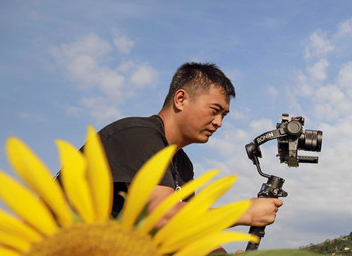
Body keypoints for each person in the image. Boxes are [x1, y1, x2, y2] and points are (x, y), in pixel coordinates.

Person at [96, 62, 283, 234]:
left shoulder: (183, 165)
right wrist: (244, 213)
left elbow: (186, 234)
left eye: (224, 115)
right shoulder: (138, 135)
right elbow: (160, 215)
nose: (219, 123)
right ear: (180, 99)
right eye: (214, 111)